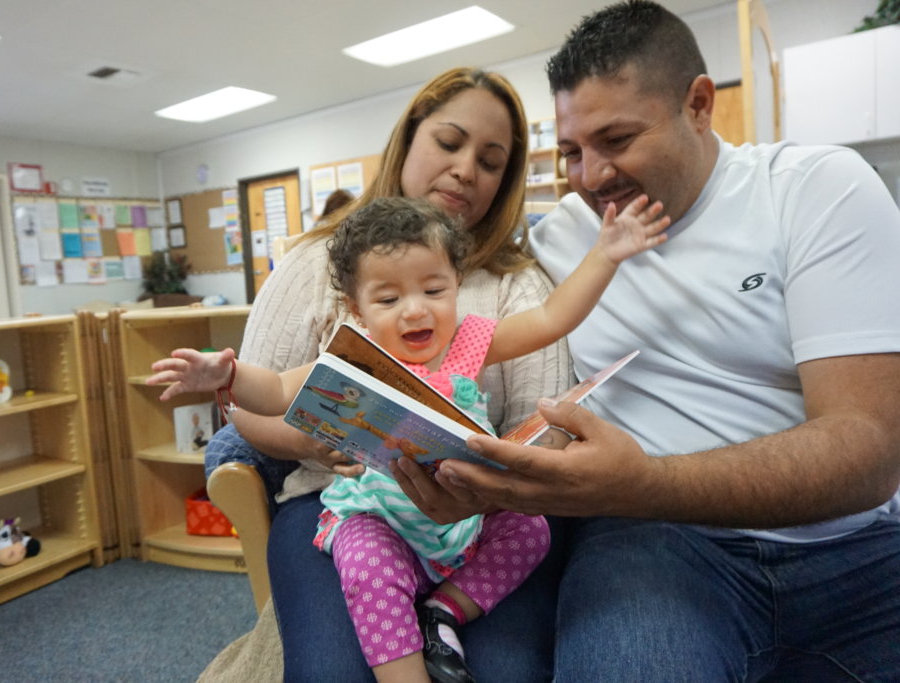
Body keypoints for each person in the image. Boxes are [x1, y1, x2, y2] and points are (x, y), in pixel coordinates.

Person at [398, 1, 900, 680]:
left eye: (618, 138)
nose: (591, 176)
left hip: (854, 545)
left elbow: (870, 449)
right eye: (571, 151)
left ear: (699, 105)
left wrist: (646, 482)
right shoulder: (557, 244)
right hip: (651, 544)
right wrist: (476, 480)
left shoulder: (816, 191)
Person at [149, 194, 666, 682]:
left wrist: (606, 255)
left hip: (465, 519)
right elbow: (282, 388)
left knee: (531, 532)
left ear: (456, 284)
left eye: (434, 290)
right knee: (365, 568)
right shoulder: (359, 357)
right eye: (389, 297)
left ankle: (445, 610)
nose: (415, 310)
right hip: (382, 518)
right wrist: (229, 377)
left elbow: (553, 318)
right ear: (357, 308)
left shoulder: (468, 341)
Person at [200, 67, 574, 682]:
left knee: (506, 673)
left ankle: (440, 613)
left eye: (490, 160)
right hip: (342, 504)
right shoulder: (311, 265)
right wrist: (316, 437)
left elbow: (545, 426)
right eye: (449, 143)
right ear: (409, 139)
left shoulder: (515, 284)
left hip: (479, 514)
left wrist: (484, 484)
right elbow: (252, 402)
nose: (464, 170)